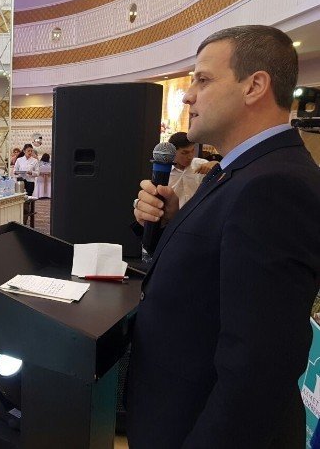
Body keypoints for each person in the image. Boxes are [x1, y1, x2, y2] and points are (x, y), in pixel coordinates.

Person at [128, 25, 320, 448]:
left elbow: (257, 368)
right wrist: (168, 224)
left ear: (254, 86)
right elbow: (212, 276)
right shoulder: (240, 170)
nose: (187, 95)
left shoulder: (275, 185)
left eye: (203, 79)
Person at [167, 131, 219, 207]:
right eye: (185, 153)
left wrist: (217, 165)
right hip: (175, 213)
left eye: (192, 150)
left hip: (198, 211)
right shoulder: (165, 172)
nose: (190, 156)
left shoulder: (202, 164)